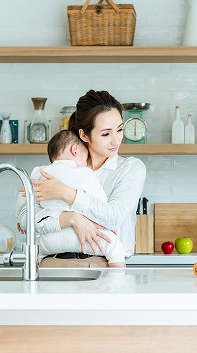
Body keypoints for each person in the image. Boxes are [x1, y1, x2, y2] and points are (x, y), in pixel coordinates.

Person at [31, 89, 147, 268]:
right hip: (54, 262)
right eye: (106, 134)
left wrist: (66, 193)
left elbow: (114, 217)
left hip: (107, 263)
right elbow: (28, 217)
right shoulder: (60, 168)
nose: (116, 141)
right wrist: (72, 219)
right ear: (84, 135)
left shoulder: (131, 168)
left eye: (119, 130)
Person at [16, 129, 126, 267]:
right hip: (82, 238)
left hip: (50, 239)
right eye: (85, 158)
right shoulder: (84, 173)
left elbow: (23, 201)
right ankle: (117, 280)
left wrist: (19, 219)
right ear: (75, 150)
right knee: (114, 247)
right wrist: (108, 226)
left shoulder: (39, 172)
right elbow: (100, 203)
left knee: (34, 251)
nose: (86, 163)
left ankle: (33, 271)